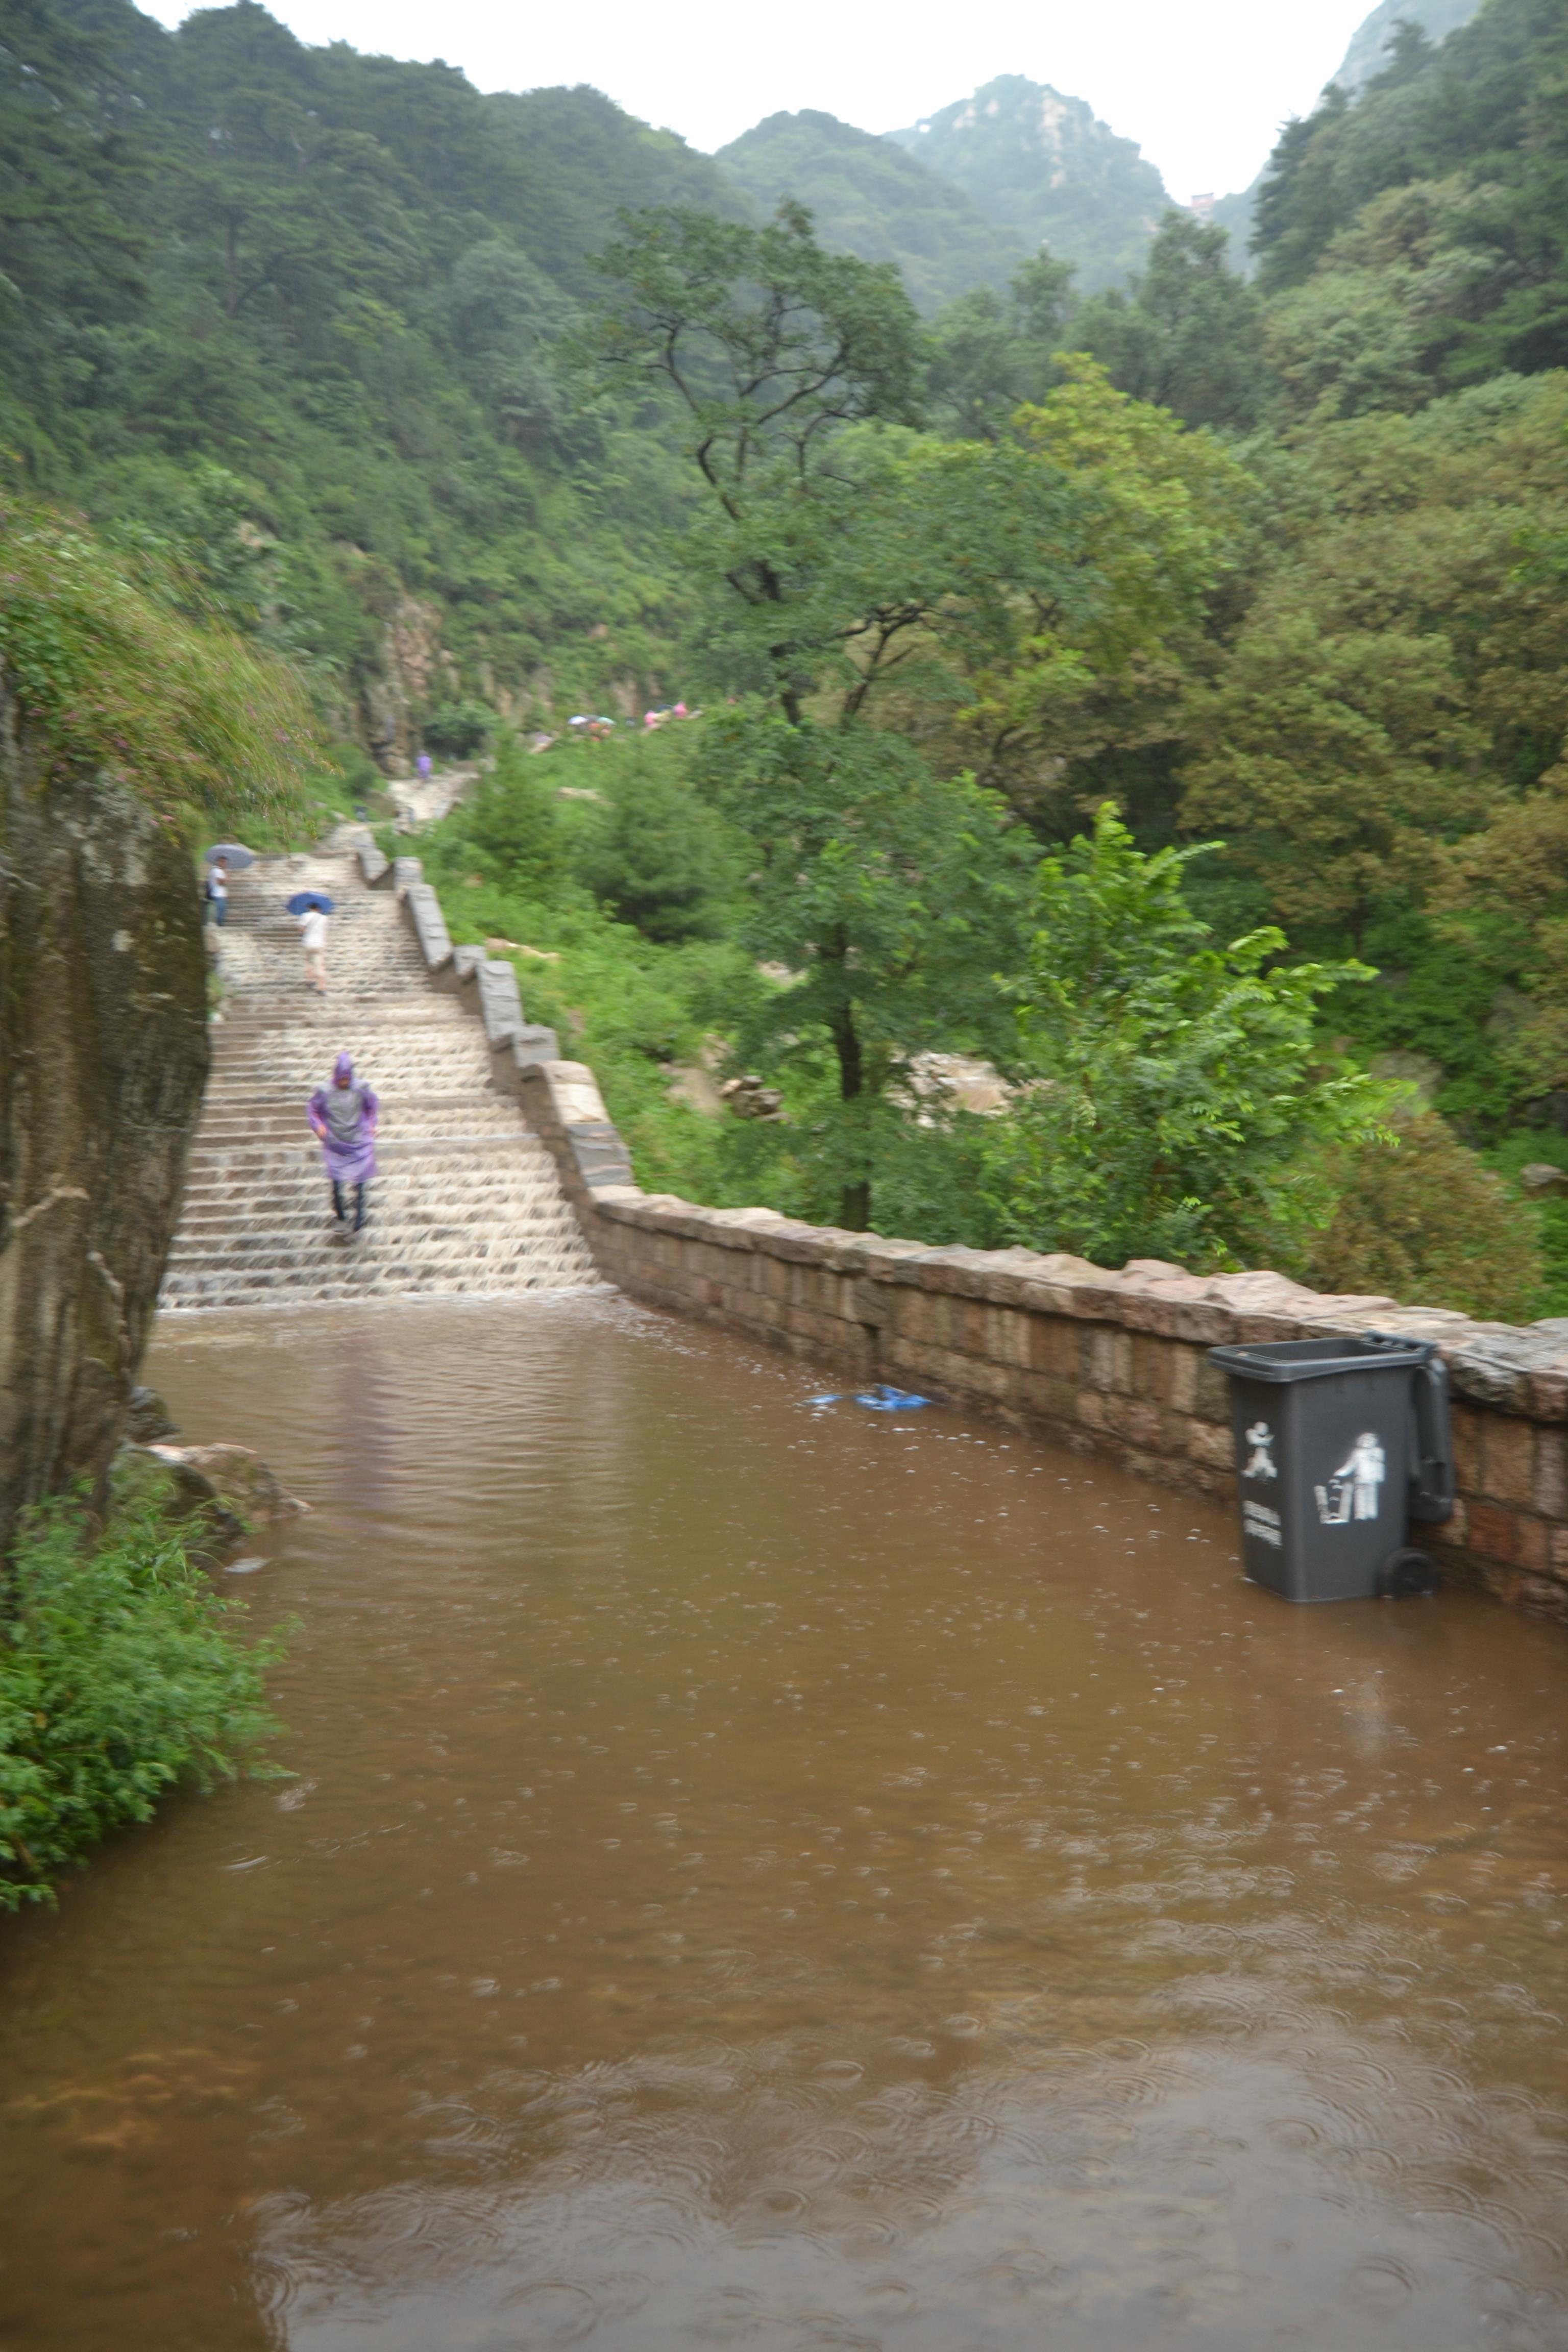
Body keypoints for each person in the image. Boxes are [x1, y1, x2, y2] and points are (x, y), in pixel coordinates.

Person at [308, 1051, 378, 1234]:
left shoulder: (361, 1089)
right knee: (337, 1184)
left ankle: (359, 1222)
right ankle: (341, 1216)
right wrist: (318, 1126)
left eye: (348, 1079)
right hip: (336, 1143)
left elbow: (372, 1108)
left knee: (361, 1184)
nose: (345, 1083)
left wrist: (371, 1125)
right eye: (342, 1079)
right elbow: (313, 1110)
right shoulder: (325, 1091)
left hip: (359, 1141)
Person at [298, 901, 329, 995]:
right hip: (319, 944)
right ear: (319, 909)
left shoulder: (304, 916)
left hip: (307, 943)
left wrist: (306, 930)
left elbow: (301, 930)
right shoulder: (324, 918)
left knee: (308, 962)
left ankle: (310, 980)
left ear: (309, 908)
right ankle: (321, 987)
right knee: (319, 966)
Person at [204, 857, 229, 927]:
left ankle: (218, 924)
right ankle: (218, 925)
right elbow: (221, 882)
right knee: (220, 911)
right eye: (224, 862)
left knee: (220, 910)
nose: (226, 864)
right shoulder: (217, 871)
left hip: (219, 894)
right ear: (220, 862)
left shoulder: (216, 870)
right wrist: (225, 874)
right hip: (218, 894)